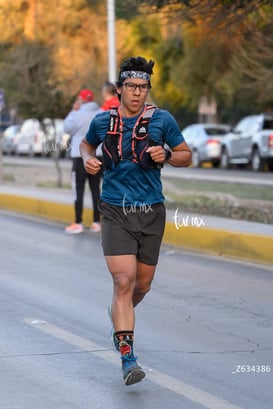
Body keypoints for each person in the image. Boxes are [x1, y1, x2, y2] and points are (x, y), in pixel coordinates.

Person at [80, 57, 192, 385]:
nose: (137, 93)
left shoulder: (163, 120)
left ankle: (119, 315)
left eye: (142, 87)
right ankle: (129, 357)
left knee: (142, 285)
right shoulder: (102, 122)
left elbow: (187, 155)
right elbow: (87, 145)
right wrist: (88, 159)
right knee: (123, 281)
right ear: (119, 89)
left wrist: (168, 156)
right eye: (131, 87)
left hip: (151, 211)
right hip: (114, 210)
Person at [64, 89, 102, 234]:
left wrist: (73, 111)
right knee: (95, 189)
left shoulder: (77, 114)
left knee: (78, 190)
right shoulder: (101, 113)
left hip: (80, 157)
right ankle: (96, 222)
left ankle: (78, 223)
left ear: (82, 100)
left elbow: (67, 128)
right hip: (97, 156)